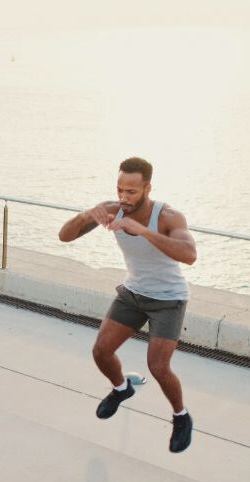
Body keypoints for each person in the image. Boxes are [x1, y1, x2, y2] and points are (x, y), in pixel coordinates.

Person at [57, 157, 197, 452]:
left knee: (158, 366)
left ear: (147, 187)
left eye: (131, 192)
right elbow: (64, 236)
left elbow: (189, 254)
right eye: (120, 189)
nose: (124, 197)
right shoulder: (112, 210)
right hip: (133, 293)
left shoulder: (168, 216)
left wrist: (143, 231)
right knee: (101, 351)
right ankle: (122, 389)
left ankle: (181, 416)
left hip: (168, 299)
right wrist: (84, 216)